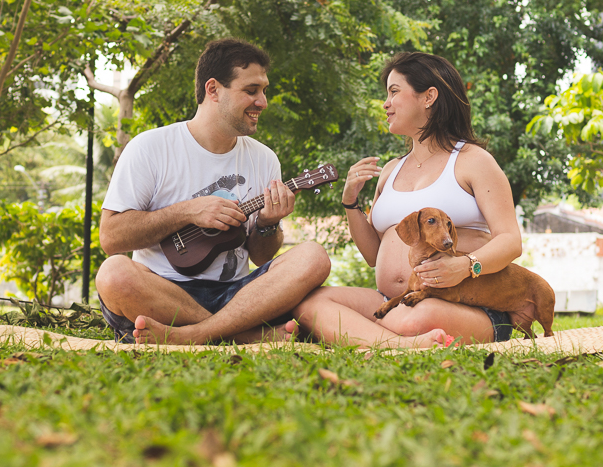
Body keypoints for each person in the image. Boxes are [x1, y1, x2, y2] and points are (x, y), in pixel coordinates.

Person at [289, 51, 533, 348]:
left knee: (415, 319)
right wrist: (350, 203)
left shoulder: (473, 161)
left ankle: (365, 333)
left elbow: (510, 241)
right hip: (394, 300)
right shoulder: (391, 170)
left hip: (467, 303)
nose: (386, 103)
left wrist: (468, 266)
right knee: (311, 302)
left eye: (394, 92)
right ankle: (402, 344)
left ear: (429, 96)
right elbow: (373, 255)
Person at [95, 38, 330, 345]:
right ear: (213, 90)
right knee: (114, 274)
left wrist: (268, 223)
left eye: (263, 90)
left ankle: (193, 335)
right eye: (251, 90)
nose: (263, 101)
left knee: (314, 256)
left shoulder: (264, 159)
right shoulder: (150, 147)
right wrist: (188, 211)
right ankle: (245, 336)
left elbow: (261, 257)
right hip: (161, 293)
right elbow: (111, 238)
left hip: (238, 296)